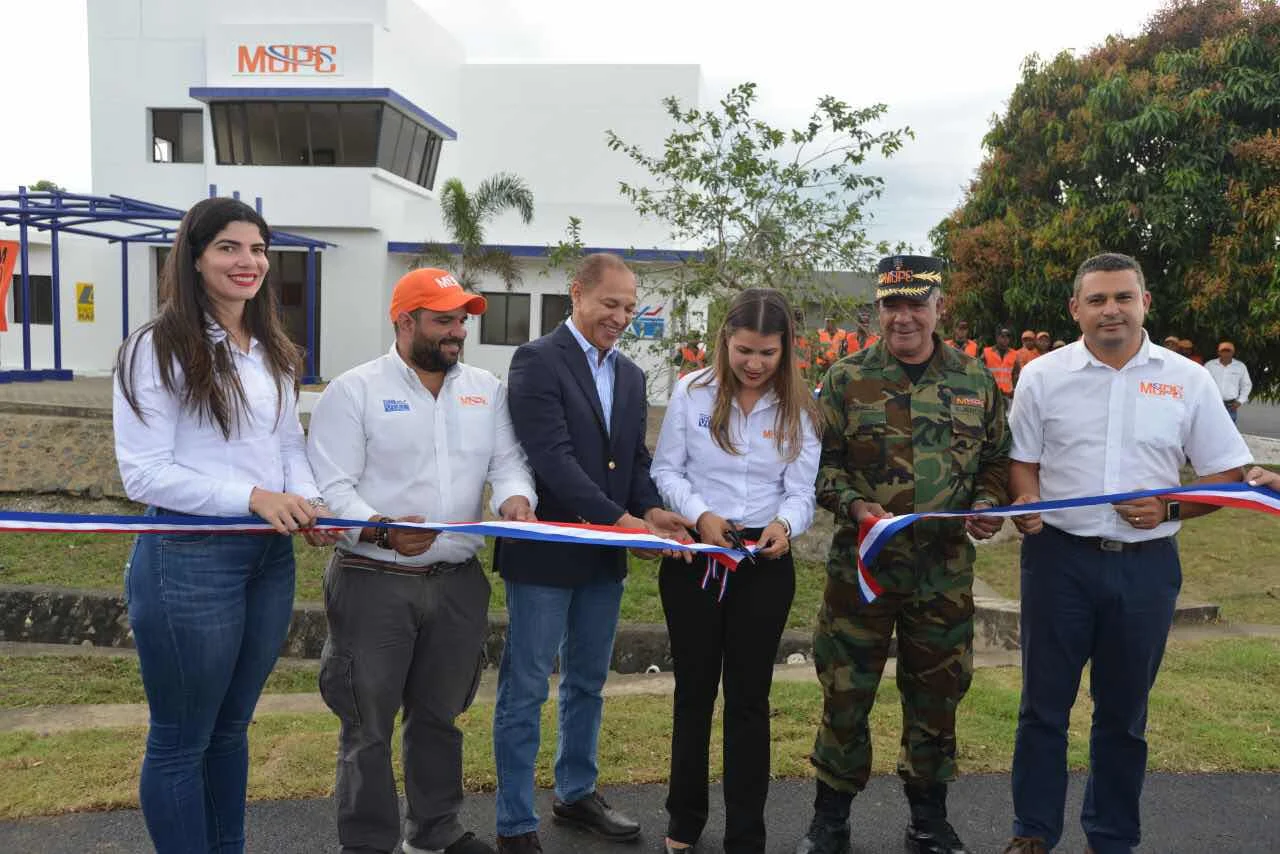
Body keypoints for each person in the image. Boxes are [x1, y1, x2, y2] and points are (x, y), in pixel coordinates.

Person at [1002, 252, 1251, 854]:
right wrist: (1027, 498)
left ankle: (1110, 838)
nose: (1110, 309)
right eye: (1097, 299)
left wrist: (1170, 509)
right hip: (1058, 561)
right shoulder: (1042, 375)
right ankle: (1033, 834)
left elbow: (1227, 477)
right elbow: (1022, 462)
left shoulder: (1187, 378)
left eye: (1122, 297)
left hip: (1145, 569)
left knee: (1122, 715)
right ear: (1075, 310)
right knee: (1043, 709)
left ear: (1144, 302)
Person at [113, 196, 338, 854]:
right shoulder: (155, 347)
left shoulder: (269, 347)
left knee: (232, 728)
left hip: (267, 559)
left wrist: (306, 501)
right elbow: (145, 476)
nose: (249, 261)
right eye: (230, 248)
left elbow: (287, 446)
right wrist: (255, 497)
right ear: (195, 257)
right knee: (182, 740)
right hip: (187, 560)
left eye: (259, 249)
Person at [306, 267, 538, 854]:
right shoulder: (353, 391)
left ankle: (435, 834)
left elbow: (508, 462)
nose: (457, 330)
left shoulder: (485, 388)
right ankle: (368, 844)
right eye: (443, 319)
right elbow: (331, 486)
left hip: (457, 583)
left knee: (440, 717)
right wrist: (381, 531)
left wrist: (517, 498)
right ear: (404, 321)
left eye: (462, 318)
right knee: (368, 726)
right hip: (373, 580)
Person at [796, 254, 1011, 854]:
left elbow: (996, 459)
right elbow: (820, 468)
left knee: (937, 698)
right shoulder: (845, 379)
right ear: (878, 309)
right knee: (844, 692)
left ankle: (928, 819)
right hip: (861, 572)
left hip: (942, 574)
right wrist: (858, 508)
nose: (904, 317)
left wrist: (990, 502)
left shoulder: (974, 381)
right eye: (892, 305)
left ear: (940, 307)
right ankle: (829, 818)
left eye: (917, 303)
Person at [492, 253, 693, 853]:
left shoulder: (630, 375)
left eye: (630, 307)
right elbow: (552, 460)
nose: (622, 316)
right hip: (547, 555)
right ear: (576, 295)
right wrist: (625, 521)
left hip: (604, 557)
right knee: (525, 688)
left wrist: (652, 510)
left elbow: (631, 461)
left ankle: (576, 793)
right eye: (611, 303)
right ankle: (513, 821)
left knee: (586, 683)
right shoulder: (535, 361)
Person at [651, 288, 822, 854]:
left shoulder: (802, 407)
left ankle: (746, 833)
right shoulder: (692, 392)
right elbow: (666, 470)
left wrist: (785, 526)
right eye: (744, 350)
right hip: (697, 562)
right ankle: (684, 821)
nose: (754, 364)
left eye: (767, 354)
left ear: (785, 350)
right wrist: (701, 516)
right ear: (725, 341)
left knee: (749, 700)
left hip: (763, 565)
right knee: (693, 694)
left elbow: (801, 493)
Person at [1205, 340, 1252, 424]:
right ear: (1218, 352)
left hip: (1230, 405)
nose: (1226, 354)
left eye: (1228, 351)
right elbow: (1203, 383)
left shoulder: (1240, 366)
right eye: (1223, 351)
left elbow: (1246, 385)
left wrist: (1240, 401)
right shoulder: (1209, 365)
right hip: (1213, 403)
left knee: (1229, 432)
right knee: (1211, 428)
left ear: (1233, 352)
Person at [982, 327, 1017, 399]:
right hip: (991, 393)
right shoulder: (986, 352)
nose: (1005, 339)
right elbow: (980, 372)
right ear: (997, 338)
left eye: (1008, 336)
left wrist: (1014, 390)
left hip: (1008, 394)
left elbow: (1016, 374)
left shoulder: (1014, 354)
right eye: (1002, 336)